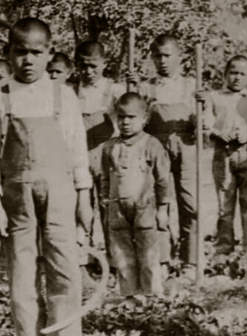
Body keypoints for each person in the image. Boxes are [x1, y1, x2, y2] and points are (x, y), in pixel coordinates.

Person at [0, 18, 91, 336]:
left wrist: (84, 197)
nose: (28, 60)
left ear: (49, 53)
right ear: (8, 54)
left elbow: (78, 150)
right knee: (22, 271)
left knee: (64, 266)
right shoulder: (0, 98)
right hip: (17, 197)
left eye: (36, 52)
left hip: (60, 192)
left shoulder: (63, 95)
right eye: (20, 52)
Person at [138, 34, 201, 272]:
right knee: (157, 202)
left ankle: (190, 261)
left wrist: (201, 112)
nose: (162, 61)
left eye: (167, 55)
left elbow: (204, 122)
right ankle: (162, 258)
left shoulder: (192, 86)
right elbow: (135, 117)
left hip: (185, 146)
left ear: (179, 57)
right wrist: (131, 91)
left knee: (190, 203)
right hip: (156, 147)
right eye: (157, 56)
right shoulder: (146, 87)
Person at [99, 93, 171, 296]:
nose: (125, 122)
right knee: (122, 254)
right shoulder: (110, 147)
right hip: (117, 208)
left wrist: (163, 208)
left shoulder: (152, 144)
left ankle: (152, 294)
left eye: (131, 117)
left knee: (148, 254)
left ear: (144, 118)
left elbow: (163, 179)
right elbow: (105, 176)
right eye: (121, 117)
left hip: (145, 206)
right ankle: (129, 295)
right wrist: (105, 197)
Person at [72, 41, 126, 271]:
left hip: (106, 154)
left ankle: (114, 258)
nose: (88, 72)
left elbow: (129, 112)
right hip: (78, 155)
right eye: (83, 66)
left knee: (109, 205)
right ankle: (82, 257)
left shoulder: (113, 90)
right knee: (80, 205)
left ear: (104, 64)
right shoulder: (70, 90)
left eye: (93, 66)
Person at [207, 56, 247, 255]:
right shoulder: (214, 98)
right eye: (233, 73)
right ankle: (223, 247)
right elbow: (204, 124)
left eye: (242, 74)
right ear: (225, 75)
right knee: (224, 203)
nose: (237, 77)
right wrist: (217, 132)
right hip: (223, 155)